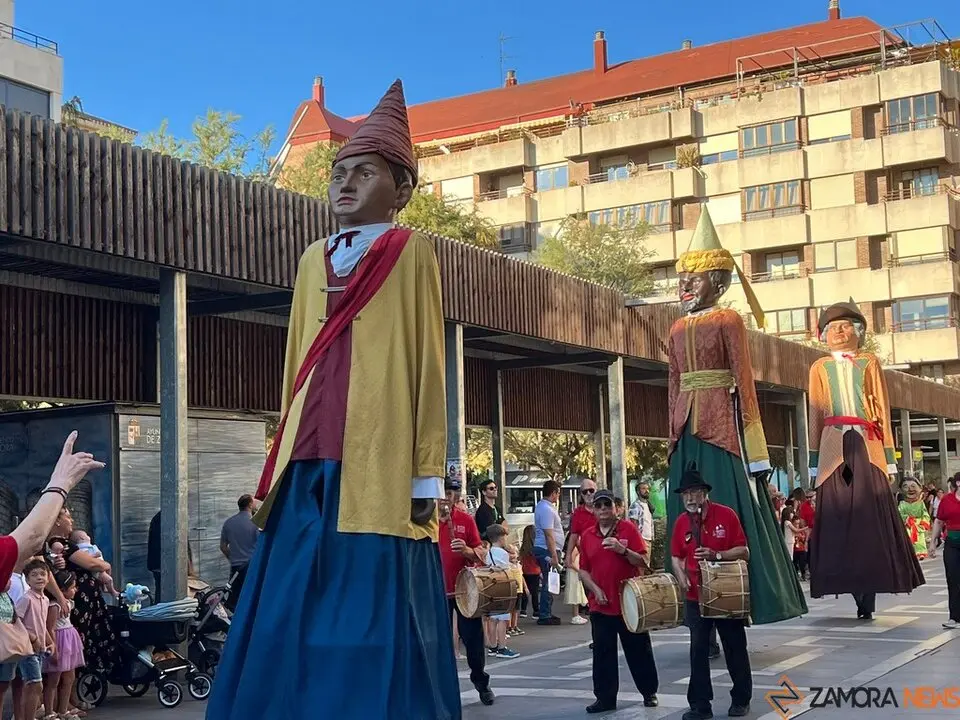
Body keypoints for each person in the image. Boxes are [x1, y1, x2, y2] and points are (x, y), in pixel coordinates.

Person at [207, 80, 458, 720]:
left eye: (363, 171)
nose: (343, 184)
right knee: (289, 586)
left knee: (369, 583)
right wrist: (281, 441)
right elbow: (297, 360)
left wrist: (427, 467)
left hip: (376, 450)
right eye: (338, 172)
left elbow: (428, 359)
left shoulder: (410, 251)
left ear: (400, 190)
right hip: (309, 447)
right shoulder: (311, 259)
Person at [665, 205, 806, 626]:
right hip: (685, 426)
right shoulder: (675, 327)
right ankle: (689, 602)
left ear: (719, 282)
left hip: (721, 425)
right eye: (683, 277)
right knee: (683, 511)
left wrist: (756, 446)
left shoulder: (729, 320)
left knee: (727, 504)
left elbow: (744, 381)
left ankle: (740, 599)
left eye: (697, 277)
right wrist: (671, 431)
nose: (687, 284)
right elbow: (673, 381)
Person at [807, 300, 923, 619]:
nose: (840, 332)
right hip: (833, 441)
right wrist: (815, 462)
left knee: (871, 518)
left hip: (866, 440)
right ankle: (842, 581)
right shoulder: (819, 368)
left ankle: (869, 592)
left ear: (858, 331)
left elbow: (882, 409)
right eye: (833, 328)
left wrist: (888, 458)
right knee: (836, 516)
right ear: (824, 334)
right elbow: (815, 413)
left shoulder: (869, 362)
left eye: (846, 326)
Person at [671, 468, 752, 720]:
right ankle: (700, 705)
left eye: (694, 492)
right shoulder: (682, 521)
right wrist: (680, 574)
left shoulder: (725, 515)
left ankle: (741, 699)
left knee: (734, 646)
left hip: (725, 591)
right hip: (696, 595)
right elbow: (676, 555)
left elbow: (744, 551)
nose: (690, 498)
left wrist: (717, 555)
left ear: (704, 493)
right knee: (698, 650)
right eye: (686, 493)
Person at [579, 489, 659, 714]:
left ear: (616, 508)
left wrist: (622, 550)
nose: (603, 509)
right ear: (594, 510)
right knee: (603, 653)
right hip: (600, 605)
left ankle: (648, 691)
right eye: (599, 506)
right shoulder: (587, 535)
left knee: (638, 649)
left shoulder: (628, 529)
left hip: (629, 602)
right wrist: (594, 589)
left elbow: (643, 560)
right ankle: (605, 699)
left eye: (607, 505)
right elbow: (583, 570)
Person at [439, 479, 495, 704]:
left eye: (453, 492)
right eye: (445, 491)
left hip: (464, 588)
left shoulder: (465, 519)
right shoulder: (424, 520)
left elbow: (482, 552)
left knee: (472, 640)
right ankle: (441, 687)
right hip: (436, 589)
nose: (448, 496)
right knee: (438, 641)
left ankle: (481, 683)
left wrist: (468, 550)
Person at [42, 570, 85, 719]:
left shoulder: (68, 603)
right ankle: (49, 711)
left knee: (69, 678)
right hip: (60, 642)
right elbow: (50, 628)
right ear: (62, 590)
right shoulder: (55, 606)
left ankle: (63, 709)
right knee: (54, 679)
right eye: (72, 587)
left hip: (69, 640)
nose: (75, 590)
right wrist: (53, 647)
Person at [15, 558, 53, 720]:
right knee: (35, 685)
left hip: (40, 650)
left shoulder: (45, 600)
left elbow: (41, 624)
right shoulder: (26, 598)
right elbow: (15, 620)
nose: (39, 578)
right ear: (27, 580)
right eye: (34, 575)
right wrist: (32, 638)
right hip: (28, 648)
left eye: (42, 574)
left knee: (32, 686)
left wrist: (50, 641)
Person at [483, 524, 520, 658]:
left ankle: (492, 646)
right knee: (503, 619)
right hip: (502, 586)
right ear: (500, 538)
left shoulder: (489, 552)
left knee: (492, 618)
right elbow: (505, 570)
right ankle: (502, 646)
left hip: (491, 586)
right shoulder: (503, 553)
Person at [219, 494, 260, 611]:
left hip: (235, 567)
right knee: (254, 598)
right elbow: (262, 545)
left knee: (234, 600)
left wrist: (232, 557)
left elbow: (223, 546)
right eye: (255, 502)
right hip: (252, 566)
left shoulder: (229, 522)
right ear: (250, 504)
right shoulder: (255, 522)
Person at [564, 479, 597, 626]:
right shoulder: (578, 513)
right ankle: (597, 637)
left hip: (605, 558)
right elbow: (574, 535)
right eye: (585, 492)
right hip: (588, 560)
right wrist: (568, 556)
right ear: (581, 495)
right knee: (593, 599)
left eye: (591, 490)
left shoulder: (603, 508)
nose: (589, 494)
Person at [929, 478, 960, 629]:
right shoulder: (947, 500)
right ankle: (954, 617)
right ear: (958, 483)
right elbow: (939, 521)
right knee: (953, 579)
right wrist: (933, 542)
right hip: (952, 544)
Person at [533, 480, 564, 626]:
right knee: (548, 581)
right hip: (546, 549)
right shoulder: (546, 509)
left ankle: (547, 611)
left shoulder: (544, 507)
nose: (558, 496)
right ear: (553, 493)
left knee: (550, 580)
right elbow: (548, 534)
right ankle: (544, 614)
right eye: (558, 493)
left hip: (547, 548)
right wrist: (553, 555)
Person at [67, 529, 119, 596]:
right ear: (82, 538)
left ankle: (104, 586)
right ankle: (113, 592)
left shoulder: (90, 546)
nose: (89, 536)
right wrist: (95, 555)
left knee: (108, 572)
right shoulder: (83, 548)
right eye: (86, 535)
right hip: (97, 571)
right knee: (109, 580)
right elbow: (86, 559)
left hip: (101, 566)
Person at [899, 478, 932, 560]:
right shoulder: (902, 504)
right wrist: (906, 519)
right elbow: (899, 513)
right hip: (907, 525)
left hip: (918, 525)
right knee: (907, 537)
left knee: (920, 538)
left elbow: (925, 514)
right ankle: (909, 553)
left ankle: (920, 553)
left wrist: (923, 522)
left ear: (920, 489)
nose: (910, 489)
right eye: (906, 487)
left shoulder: (920, 504)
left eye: (913, 486)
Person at [628, 480, 655, 568]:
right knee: (641, 566)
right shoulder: (635, 505)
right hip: (641, 539)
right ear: (638, 492)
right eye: (643, 489)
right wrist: (638, 539)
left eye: (647, 489)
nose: (646, 491)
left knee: (647, 565)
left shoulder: (648, 505)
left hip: (649, 538)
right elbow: (633, 523)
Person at [518, 524, 540, 618]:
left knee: (525, 591)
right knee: (534, 592)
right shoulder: (535, 548)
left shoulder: (523, 548)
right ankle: (536, 611)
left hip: (525, 571)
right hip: (535, 571)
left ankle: (523, 610)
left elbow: (521, 560)